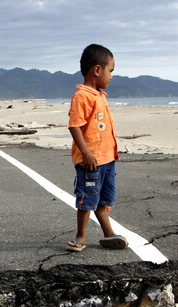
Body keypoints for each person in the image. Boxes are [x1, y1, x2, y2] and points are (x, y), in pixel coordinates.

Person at [66, 44, 128, 252]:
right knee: (87, 198)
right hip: (91, 161)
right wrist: (85, 152)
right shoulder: (82, 97)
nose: (111, 76)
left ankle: (109, 234)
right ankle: (81, 235)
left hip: (107, 159)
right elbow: (75, 126)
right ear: (97, 70)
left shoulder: (100, 96)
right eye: (110, 71)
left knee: (104, 199)